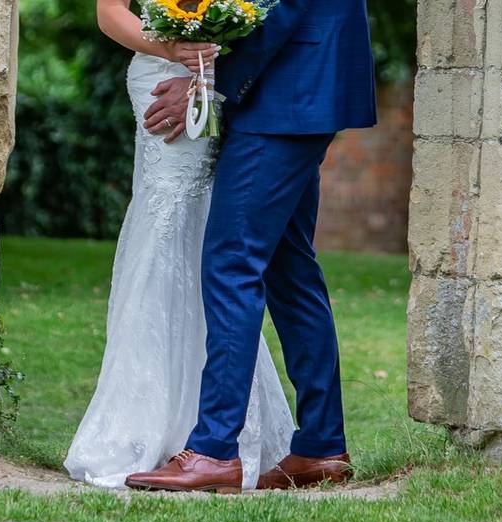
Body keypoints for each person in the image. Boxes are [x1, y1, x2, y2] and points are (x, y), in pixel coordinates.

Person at [124, 0, 378, 493]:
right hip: (299, 89)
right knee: (290, 270)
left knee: (230, 264)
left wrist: (207, 81)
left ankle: (214, 450)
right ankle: (322, 446)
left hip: (285, 93)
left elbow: (281, 8)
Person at [63, 0, 296, 492]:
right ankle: (144, 425)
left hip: (218, 76)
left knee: (214, 236)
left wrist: (215, 54)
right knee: (162, 223)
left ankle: (211, 431)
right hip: (158, 70)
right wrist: (170, 45)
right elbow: (109, 12)